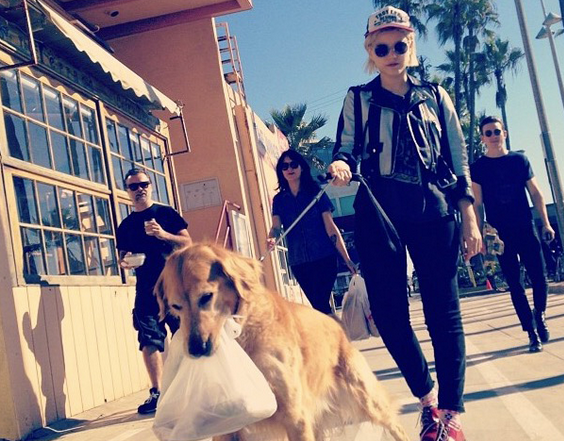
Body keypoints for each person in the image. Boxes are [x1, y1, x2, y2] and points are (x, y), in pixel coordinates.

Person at [328, 7, 481, 441]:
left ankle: (450, 415)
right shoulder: (358, 98)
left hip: (435, 210)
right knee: (389, 313)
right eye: (382, 48)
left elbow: (457, 158)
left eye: (399, 45)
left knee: (443, 312)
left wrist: (469, 215)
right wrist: (340, 165)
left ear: (410, 46)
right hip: (379, 212)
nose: (392, 53)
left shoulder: (436, 95)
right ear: (370, 51)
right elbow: (345, 147)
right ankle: (427, 400)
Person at [471, 115, 555, 353]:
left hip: (526, 228)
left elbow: (536, 193)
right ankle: (531, 332)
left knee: (539, 278)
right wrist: (479, 233)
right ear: (482, 138)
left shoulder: (519, 160)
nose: (493, 136)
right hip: (500, 235)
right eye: (488, 133)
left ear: (504, 134)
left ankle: (540, 314)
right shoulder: (478, 168)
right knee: (515, 285)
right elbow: (478, 204)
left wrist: (545, 223)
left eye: (497, 131)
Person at [117, 168, 192, 414]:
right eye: (133, 186)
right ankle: (157, 392)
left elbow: (187, 242)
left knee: (183, 334)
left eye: (143, 184)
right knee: (148, 339)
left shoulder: (165, 213)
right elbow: (122, 256)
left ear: (150, 186)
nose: (139, 189)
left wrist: (163, 234)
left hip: (173, 285)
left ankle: (190, 387)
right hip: (145, 289)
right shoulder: (126, 226)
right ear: (127, 191)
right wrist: (125, 262)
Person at [267, 150, 356, 314]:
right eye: (285, 166)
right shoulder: (279, 200)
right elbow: (276, 227)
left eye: (294, 164)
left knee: (320, 305)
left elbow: (331, 227)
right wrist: (272, 238)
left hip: (324, 256)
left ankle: (334, 330)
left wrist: (347, 259)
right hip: (299, 261)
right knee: (320, 307)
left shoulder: (316, 193)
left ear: (301, 167)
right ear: (281, 171)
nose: (289, 169)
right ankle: (335, 329)